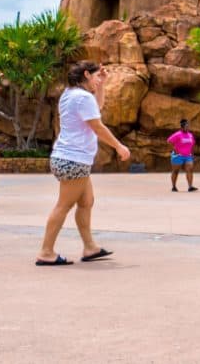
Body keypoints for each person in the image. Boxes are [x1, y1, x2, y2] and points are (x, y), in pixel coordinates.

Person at [37, 61, 130, 266]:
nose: (98, 81)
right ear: (86, 74)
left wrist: (102, 85)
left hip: (70, 158)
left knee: (86, 202)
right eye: (97, 77)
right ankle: (46, 252)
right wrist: (118, 146)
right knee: (63, 205)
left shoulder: (70, 94)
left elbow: (96, 108)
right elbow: (97, 126)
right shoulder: (82, 97)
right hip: (73, 159)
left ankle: (90, 248)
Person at [168, 118, 197, 192]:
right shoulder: (177, 134)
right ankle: (174, 186)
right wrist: (174, 149)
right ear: (182, 127)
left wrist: (192, 154)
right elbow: (169, 141)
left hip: (188, 156)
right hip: (178, 156)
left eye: (188, 126)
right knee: (176, 171)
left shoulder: (190, 135)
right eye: (186, 126)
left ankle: (190, 186)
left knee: (190, 169)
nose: (187, 128)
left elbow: (192, 144)